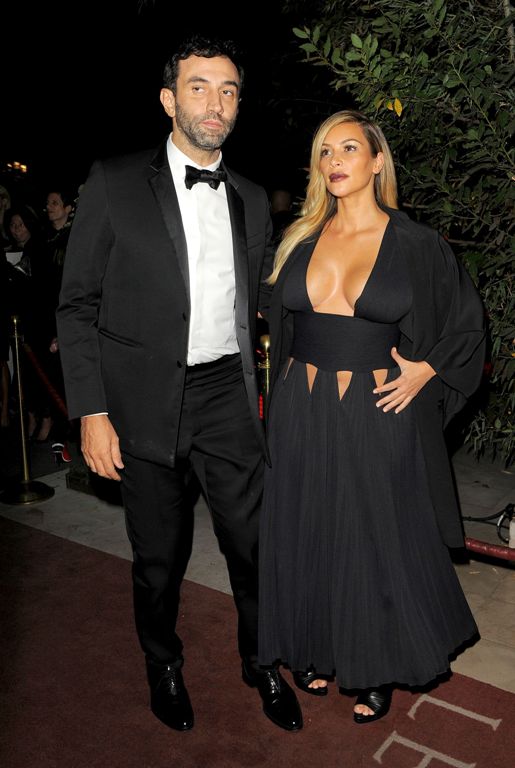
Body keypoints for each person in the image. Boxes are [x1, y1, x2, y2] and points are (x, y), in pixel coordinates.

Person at [56, 35, 301, 733]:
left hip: (228, 397)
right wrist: (91, 411)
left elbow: (265, 298)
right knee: (159, 559)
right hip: (142, 402)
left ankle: (261, 660)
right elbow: (76, 305)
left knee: (255, 548)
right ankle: (163, 663)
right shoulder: (113, 181)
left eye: (227, 90)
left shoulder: (250, 197)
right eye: (198, 87)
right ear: (168, 100)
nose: (214, 102)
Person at [257, 109, 486, 724]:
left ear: (377, 160)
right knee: (306, 529)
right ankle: (313, 646)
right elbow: (269, 309)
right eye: (325, 151)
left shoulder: (416, 244)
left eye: (349, 148)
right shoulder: (300, 236)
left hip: (374, 410)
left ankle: (377, 665)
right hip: (299, 409)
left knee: (372, 537)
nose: (335, 161)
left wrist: (428, 368)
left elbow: (467, 323)